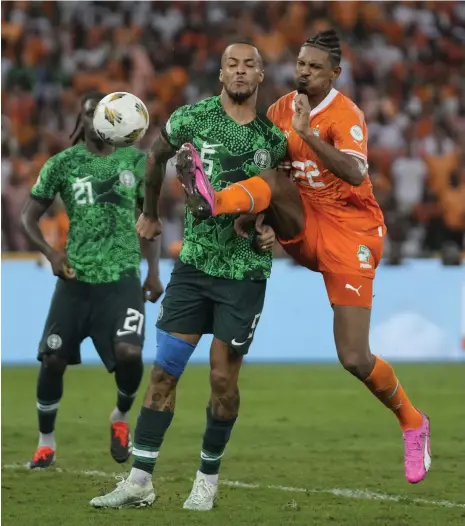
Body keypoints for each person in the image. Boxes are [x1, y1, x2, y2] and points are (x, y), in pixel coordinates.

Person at [178, 30, 431, 485]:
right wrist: (258, 224)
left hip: (351, 234)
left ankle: (413, 421)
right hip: (303, 224)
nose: (303, 71)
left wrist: (308, 135)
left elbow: (355, 172)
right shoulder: (277, 110)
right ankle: (213, 201)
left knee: (354, 357)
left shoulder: (345, 113)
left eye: (314, 67)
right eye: (300, 63)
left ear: (335, 73)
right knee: (271, 177)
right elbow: (271, 173)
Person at [90, 41, 285, 510]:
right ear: (221, 74)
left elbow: (285, 204)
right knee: (163, 375)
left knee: (222, 380)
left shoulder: (274, 140)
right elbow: (155, 158)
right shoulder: (191, 119)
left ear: (260, 77)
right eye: (232, 64)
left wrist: (271, 230)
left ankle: (207, 480)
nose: (240, 72)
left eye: (250, 66)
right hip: (194, 268)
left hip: (244, 273)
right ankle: (139, 482)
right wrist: (150, 214)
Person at [21, 91, 163, 469]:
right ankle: (45, 442)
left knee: (130, 354)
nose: (96, 119)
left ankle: (120, 416)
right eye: (89, 113)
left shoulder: (135, 161)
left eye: (103, 113)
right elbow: (26, 216)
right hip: (76, 279)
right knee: (52, 359)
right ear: (81, 120)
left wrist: (153, 271)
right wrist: (51, 253)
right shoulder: (63, 164)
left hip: (122, 279)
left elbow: (148, 221)